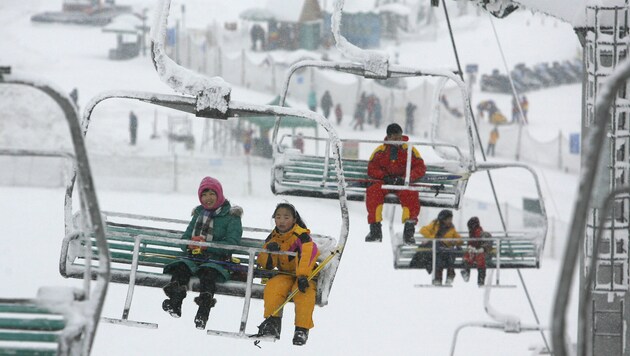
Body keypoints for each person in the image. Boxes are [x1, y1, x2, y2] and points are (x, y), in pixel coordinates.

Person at [161, 177, 243, 330]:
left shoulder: (232, 216)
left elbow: (232, 244)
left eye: (212, 194)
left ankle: (203, 313)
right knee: (181, 268)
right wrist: (191, 243)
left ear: (219, 194)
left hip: (218, 261)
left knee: (208, 273)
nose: (208, 198)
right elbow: (184, 239)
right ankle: (175, 303)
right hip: (194, 257)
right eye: (204, 195)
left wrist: (207, 246)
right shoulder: (199, 213)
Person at [256, 202, 319, 346]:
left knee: (304, 292)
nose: (281, 221)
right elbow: (266, 264)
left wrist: (303, 275)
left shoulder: (301, 236)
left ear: (294, 220)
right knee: (274, 287)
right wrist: (270, 252)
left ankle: (301, 329)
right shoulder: (273, 237)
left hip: (304, 275)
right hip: (285, 274)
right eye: (278, 217)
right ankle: (272, 323)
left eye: (286, 217)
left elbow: (309, 254)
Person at [365, 123, 427, 244]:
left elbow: (420, 167)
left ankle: (409, 232)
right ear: (388, 137)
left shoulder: (409, 149)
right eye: (394, 138)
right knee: (373, 193)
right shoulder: (380, 151)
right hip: (385, 182)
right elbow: (372, 168)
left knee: (411, 195)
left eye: (399, 138)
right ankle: (375, 230)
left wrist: (405, 178)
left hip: (403, 183)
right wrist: (384, 177)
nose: (397, 141)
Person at [419, 209, 462, 286]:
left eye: (451, 219)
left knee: (448, 254)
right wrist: (434, 238)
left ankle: (448, 276)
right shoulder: (435, 224)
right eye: (449, 219)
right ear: (443, 219)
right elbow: (423, 230)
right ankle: (439, 279)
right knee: (439, 257)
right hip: (438, 251)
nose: (450, 221)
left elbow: (459, 239)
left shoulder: (452, 228)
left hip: (446, 251)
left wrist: (454, 241)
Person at [461, 217, 492, 286]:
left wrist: (482, 249)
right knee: (468, 254)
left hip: (484, 255)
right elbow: (470, 245)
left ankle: (480, 279)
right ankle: (466, 271)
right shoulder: (472, 235)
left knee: (480, 257)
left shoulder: (484, 234)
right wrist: (470, 248)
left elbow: (488, 244)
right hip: (475, 255)